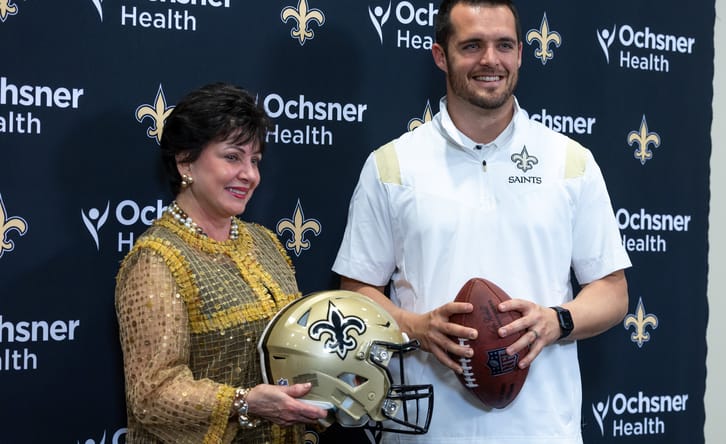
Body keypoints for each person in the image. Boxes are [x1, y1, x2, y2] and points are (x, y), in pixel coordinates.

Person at [332, 1, 631, 443]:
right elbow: (356, 291)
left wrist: (557, 321)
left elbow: (612, 291)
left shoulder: (571, 161)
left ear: (521, 55)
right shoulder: (392, 164)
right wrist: (416, 327)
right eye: (472, 45)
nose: (490, 60)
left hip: (542, 429)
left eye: (504, 45)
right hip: (427, 432)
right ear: (440, 55)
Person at [115, 82, 327, 444]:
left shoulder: (265, 243)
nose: (250, 174)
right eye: (232, 157)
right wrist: (244, 403)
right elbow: (151, 395)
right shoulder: (156, 260)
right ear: (186, 162)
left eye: (255, 160)